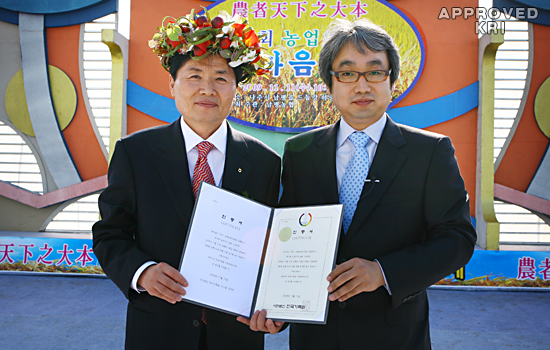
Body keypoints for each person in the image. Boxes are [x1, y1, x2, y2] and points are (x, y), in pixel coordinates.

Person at [277, 19, 477, 349]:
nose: (361, 85)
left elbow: (457, 237)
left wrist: (383, 272)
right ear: (330, 84)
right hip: (316, 335)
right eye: (347, 72)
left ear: (391, 82)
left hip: (394, 332)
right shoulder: (300, 151)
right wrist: (278, 306)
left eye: (374, 72)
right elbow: (288, 237)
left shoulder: (429, 151)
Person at [92, 11, 281, 350]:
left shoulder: (266, 162)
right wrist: (142, 272)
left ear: (235, 88)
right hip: (159, 328)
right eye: (194, 75)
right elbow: (110, 234)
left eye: (221, 78)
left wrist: (277, 304)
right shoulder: (136, 153)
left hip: (236, 334)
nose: (208, 89)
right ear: (172, 85)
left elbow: (274, 246)